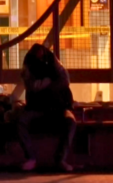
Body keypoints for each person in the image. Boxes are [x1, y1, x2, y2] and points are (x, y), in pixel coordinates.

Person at [16, 43, 76, 172]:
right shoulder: (29, 63)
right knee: (21, 120)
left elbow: (65, 80)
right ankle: (31, 158)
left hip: (58, 106)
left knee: (70, 121)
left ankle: (60, 159)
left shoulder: (52, 59)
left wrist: (47, 84)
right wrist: (51, 81)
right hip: (37, 107)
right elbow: (33, 85)